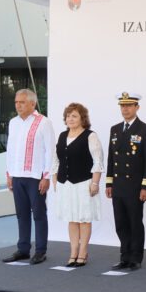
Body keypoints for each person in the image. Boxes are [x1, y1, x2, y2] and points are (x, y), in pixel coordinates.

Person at [3, 89, 55, 265]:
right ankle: (23, 249)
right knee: (21, 214)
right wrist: (9, 174)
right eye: (16, 102)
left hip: (35, 176)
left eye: (22, 102)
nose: (18, 105)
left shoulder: (44, 122)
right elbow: (10, 150)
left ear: (33, 103)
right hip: (17, 176)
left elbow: (50, 151)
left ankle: (40, 251)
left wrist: (46, 176)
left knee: (39, 214)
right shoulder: (13, 123)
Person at [105, 92, 146, 271]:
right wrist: (109, 183)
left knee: (135, 222)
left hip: (135, 186)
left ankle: (135, 257)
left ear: (137, 107)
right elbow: (111, 158)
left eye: (129, 105)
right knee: (120, 222)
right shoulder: (115, 129)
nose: (125, 109)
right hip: (118, 185)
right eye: (122, 106)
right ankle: (124, 256)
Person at [51, 103, 104, 267]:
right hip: (64, 184)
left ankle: (83, 252)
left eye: (74, 116)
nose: (70, 119)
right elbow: (56, 161)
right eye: (68, 116)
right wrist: (55, 181)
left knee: (84, 219)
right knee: (71, 219)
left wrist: (95, 183)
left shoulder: (90, 136)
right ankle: (73, 252)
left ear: (82, 118)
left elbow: (98, 161)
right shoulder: (61, 136)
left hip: (84, 183)